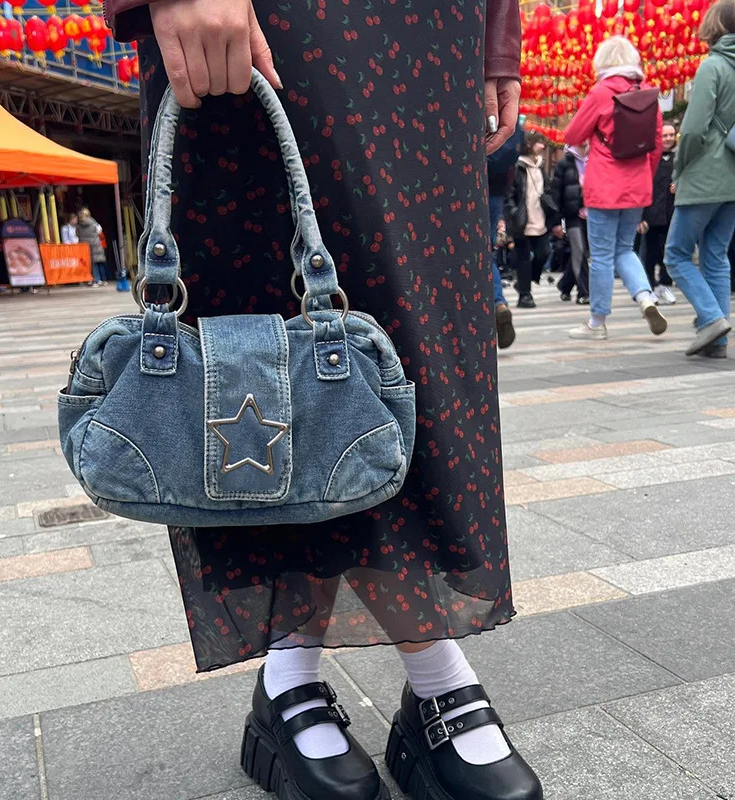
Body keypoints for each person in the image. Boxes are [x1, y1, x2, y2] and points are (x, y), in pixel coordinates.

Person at [104, 1, 543, 800]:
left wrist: (495, 37)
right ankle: (433, 672)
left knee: (421, 317)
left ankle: (290, 674)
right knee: (288, 318)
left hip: (436, 25)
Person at [564, 35, 667, 341]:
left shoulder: (601, 92)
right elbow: (656, 143)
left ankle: (597, 323)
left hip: (604, 186)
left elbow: (572, 134)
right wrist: (644, 176)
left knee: (602, 256)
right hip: (637, 186)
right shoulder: (648, 93)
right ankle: (645, 297)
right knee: (625, 248)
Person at [665, 0, 735, 358]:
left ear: (715, 25)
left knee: (676, 253)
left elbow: (692, 129)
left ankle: (711, 319)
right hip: (733, 178)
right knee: (716, 256)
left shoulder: (714, 65)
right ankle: (717, 342)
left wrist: (680, 167)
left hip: (706, 173)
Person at [504, 131, 560, 308]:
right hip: (522, 220)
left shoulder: (540, 166)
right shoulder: (517, 166)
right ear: (529, 144)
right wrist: (514, 213)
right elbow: (510, 194)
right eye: (538, 142)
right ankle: (525, 295)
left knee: (544, 252)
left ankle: (524, 282)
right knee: (523, 258)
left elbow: (547, 190)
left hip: (540, 218)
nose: (542, 146)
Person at [488, 123, 524, 349]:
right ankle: (498, 303)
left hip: (463, 184)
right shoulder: (506, 111)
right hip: (495, 190)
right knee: (486, 254)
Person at [639, 124, 678, 305]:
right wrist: (640, 216)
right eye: (665, 135)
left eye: (671, 135)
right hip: (651, 213)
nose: (668, 138)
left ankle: (665, 284)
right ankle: (649, 287)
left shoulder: (678, 159)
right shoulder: (649, 159)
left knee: (668, 252)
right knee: (650, 253)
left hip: (672, 212)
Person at [550, 141, 591, 304]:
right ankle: (584, 292)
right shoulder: (565, 163)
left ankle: (565, 285)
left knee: (582, 253)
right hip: (573, 214)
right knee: (579, 251)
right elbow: (555, 193)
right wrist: (556, 222)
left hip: (594, 213)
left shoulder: (595, 158)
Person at [76, 207, 107, 286]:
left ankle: (90, 279)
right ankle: (99, 279)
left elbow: (77, 234)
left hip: (84, 245)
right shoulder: (93, 223)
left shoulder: (78, 225)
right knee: (97, 262)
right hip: (95, 244)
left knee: (88, 263)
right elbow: (99, 231)